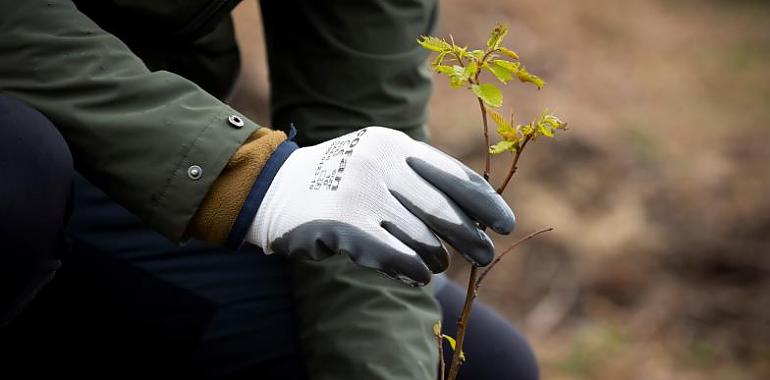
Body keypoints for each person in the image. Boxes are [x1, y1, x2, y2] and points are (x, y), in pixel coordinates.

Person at [0, 1, 539, 378]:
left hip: (116, 181)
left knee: (480, 365)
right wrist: (246, 175)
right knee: (20, 171)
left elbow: (357, 118)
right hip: (30, 153)